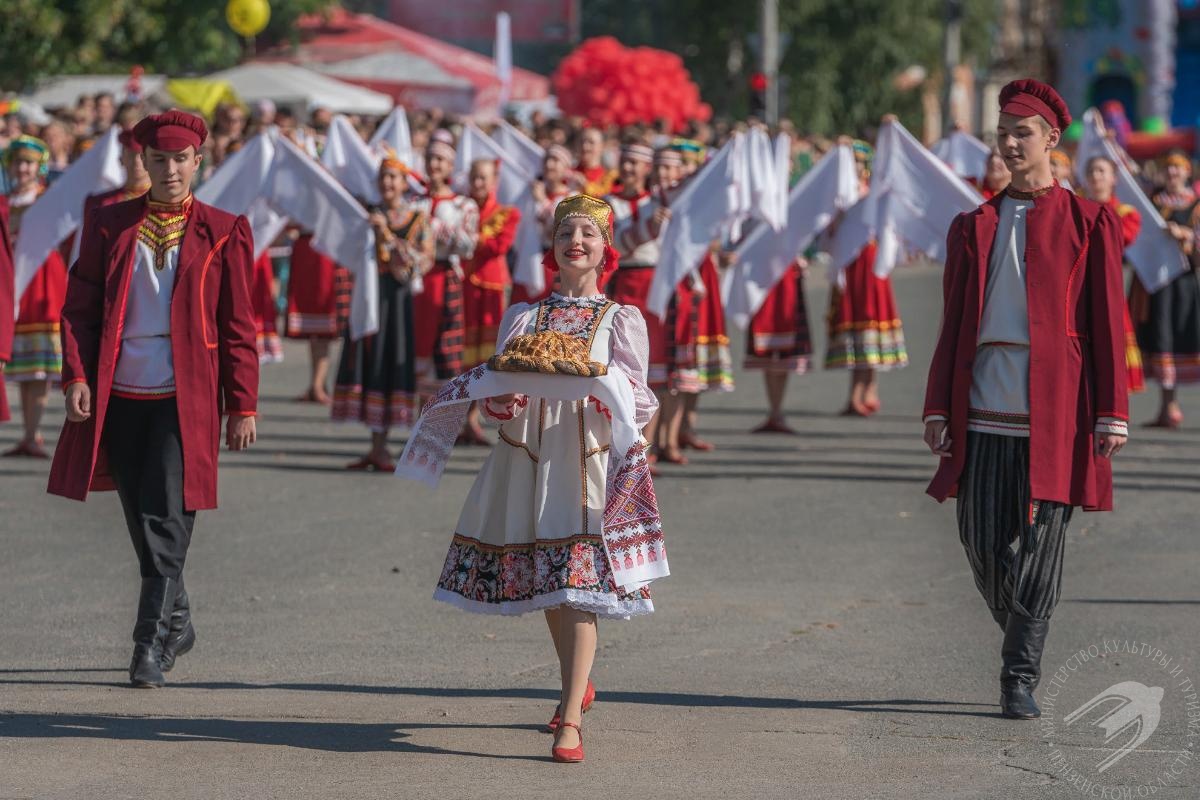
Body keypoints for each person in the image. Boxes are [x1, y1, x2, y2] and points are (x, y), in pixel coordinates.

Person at [414, 194, 666, 763]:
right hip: (530, 458)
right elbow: (501, 390)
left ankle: (570, 713)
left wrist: (608, 396)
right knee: (550, 583)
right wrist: (503, 402)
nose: (575, 242)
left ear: (606, 250)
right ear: (551, 249)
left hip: (588, 461)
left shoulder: (621, 320)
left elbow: (639, 397)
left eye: (587, 234)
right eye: (564, 234)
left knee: (578, 588)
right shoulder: (524, 318)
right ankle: (577, 683)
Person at [923, 79, 1128, 720]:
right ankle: (1024, 631)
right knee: (980, 541)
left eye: (1022, 133)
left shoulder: (1090, 222)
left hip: (1059, 405)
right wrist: (937, 406)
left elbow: (1110, 322)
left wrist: (1111, 411)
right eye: (1003, 133)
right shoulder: (972, 225)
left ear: (1050, 141)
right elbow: (954, 321)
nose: (1010, 144)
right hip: (984, 402)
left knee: (1042, 544)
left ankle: (1019, 675)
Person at [47, 110, 259, 689]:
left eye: (180, 160)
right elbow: (79, 310)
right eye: (158, 160)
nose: (169, 170)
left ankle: (148, 646)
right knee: (141, 517)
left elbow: (239, 325)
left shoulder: (224, 229)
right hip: (119, 389)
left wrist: (242, 403)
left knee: (166, 516)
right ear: (143, 162)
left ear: (198, 162)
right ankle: (179, 617)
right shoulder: (109, 224)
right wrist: (77, 377)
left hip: (184, 394)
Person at [331, 157, 433, 471]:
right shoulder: (368, 215)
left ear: (404, 183)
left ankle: (383, 445)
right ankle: (375, 445)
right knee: (370, 363)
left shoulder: (417, 219)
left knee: (391, 362)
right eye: (383, 177)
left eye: (393, 178)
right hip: (370, 296)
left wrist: (386, 234)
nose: (388, 183)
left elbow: (423, 262)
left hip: (398, 300)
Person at [825, 139, 908, 416]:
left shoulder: (874, 192)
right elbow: (830, 231)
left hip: (870, 264)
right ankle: (854, 393)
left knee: (872, 325)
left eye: (858, 164)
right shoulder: (840, 195)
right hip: (851, 266)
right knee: (856, 330)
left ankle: (869, 389)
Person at [604, 143, 672, 468]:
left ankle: (647, 446)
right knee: (621, 365)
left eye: (635, 163)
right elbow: (613, 246)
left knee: (653, 366)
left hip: (652, 286)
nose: (629, 168)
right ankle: (621, 444)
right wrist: (648, 230)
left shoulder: (658, 202)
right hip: (621, 285)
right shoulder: (608, 203)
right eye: (625, 161)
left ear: (647, 168)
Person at [3, 136, 68, 458]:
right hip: (14, 282)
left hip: (44, 282)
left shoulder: (49, 199)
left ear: (39, 166)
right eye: (18, 162)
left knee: (40, 366)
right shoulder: (5, 200)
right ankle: (27, 433)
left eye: (29, 162)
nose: (24, 168)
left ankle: (33, 432)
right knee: (24, 368)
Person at [1129, 152, 1200, 427]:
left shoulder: (1194, 206)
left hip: (1181, 283)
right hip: (1153, 282)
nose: (1172, 173)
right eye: (1168, 167)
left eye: (1178, 168)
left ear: (1186, 173)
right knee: (1160, 339)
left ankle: (1170, 405)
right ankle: (1166, 405)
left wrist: (1187, 237)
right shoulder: (1151, 202)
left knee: (1177, 339)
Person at [411, 129, 478, 398]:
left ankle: (436, 420)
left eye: (440, 160)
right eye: (430, 158)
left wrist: (436, 227)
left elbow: (468, 246)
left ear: (450, 166)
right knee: (415, 345)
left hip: (445, 277)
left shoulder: (464, 204)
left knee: (443, 350)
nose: (434, 165)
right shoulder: (413, 201)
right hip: (415, 279)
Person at [459, 158, 521, 444]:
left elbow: (500, 246)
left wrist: (470, 239)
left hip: (492, 290)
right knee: (464, 354)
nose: (478, 183)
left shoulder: (506, 213)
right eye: (474, 177)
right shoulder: (460, 209)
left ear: (495, 181)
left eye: (484, 178)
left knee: (488, 355)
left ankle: (483, 416)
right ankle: (466, 418)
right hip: (465, 287)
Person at [1082, 154, 1145, 394]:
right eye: (1091, 171)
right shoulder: (1074, 208)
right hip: (1078, 286)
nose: (1096, 176)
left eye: (1101, 171)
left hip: (1108, 287)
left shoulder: (1125, 213)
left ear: (1113, 179)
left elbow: (1121, 238)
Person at [514, 144, 577, 305]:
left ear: (566, 167)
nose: (549, 165)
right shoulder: (530, 193)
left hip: (558, 266)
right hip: (531, 261)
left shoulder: (573, 197)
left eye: (555, 160)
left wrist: (542, 201)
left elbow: (562, 228)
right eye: (547, 160)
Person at [577, 127, 617, 197]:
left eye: (591, 142)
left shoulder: (610, 178)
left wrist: (585, 185)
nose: (585, 146)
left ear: (602, 146)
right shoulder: (568, 175)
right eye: (582, 141)